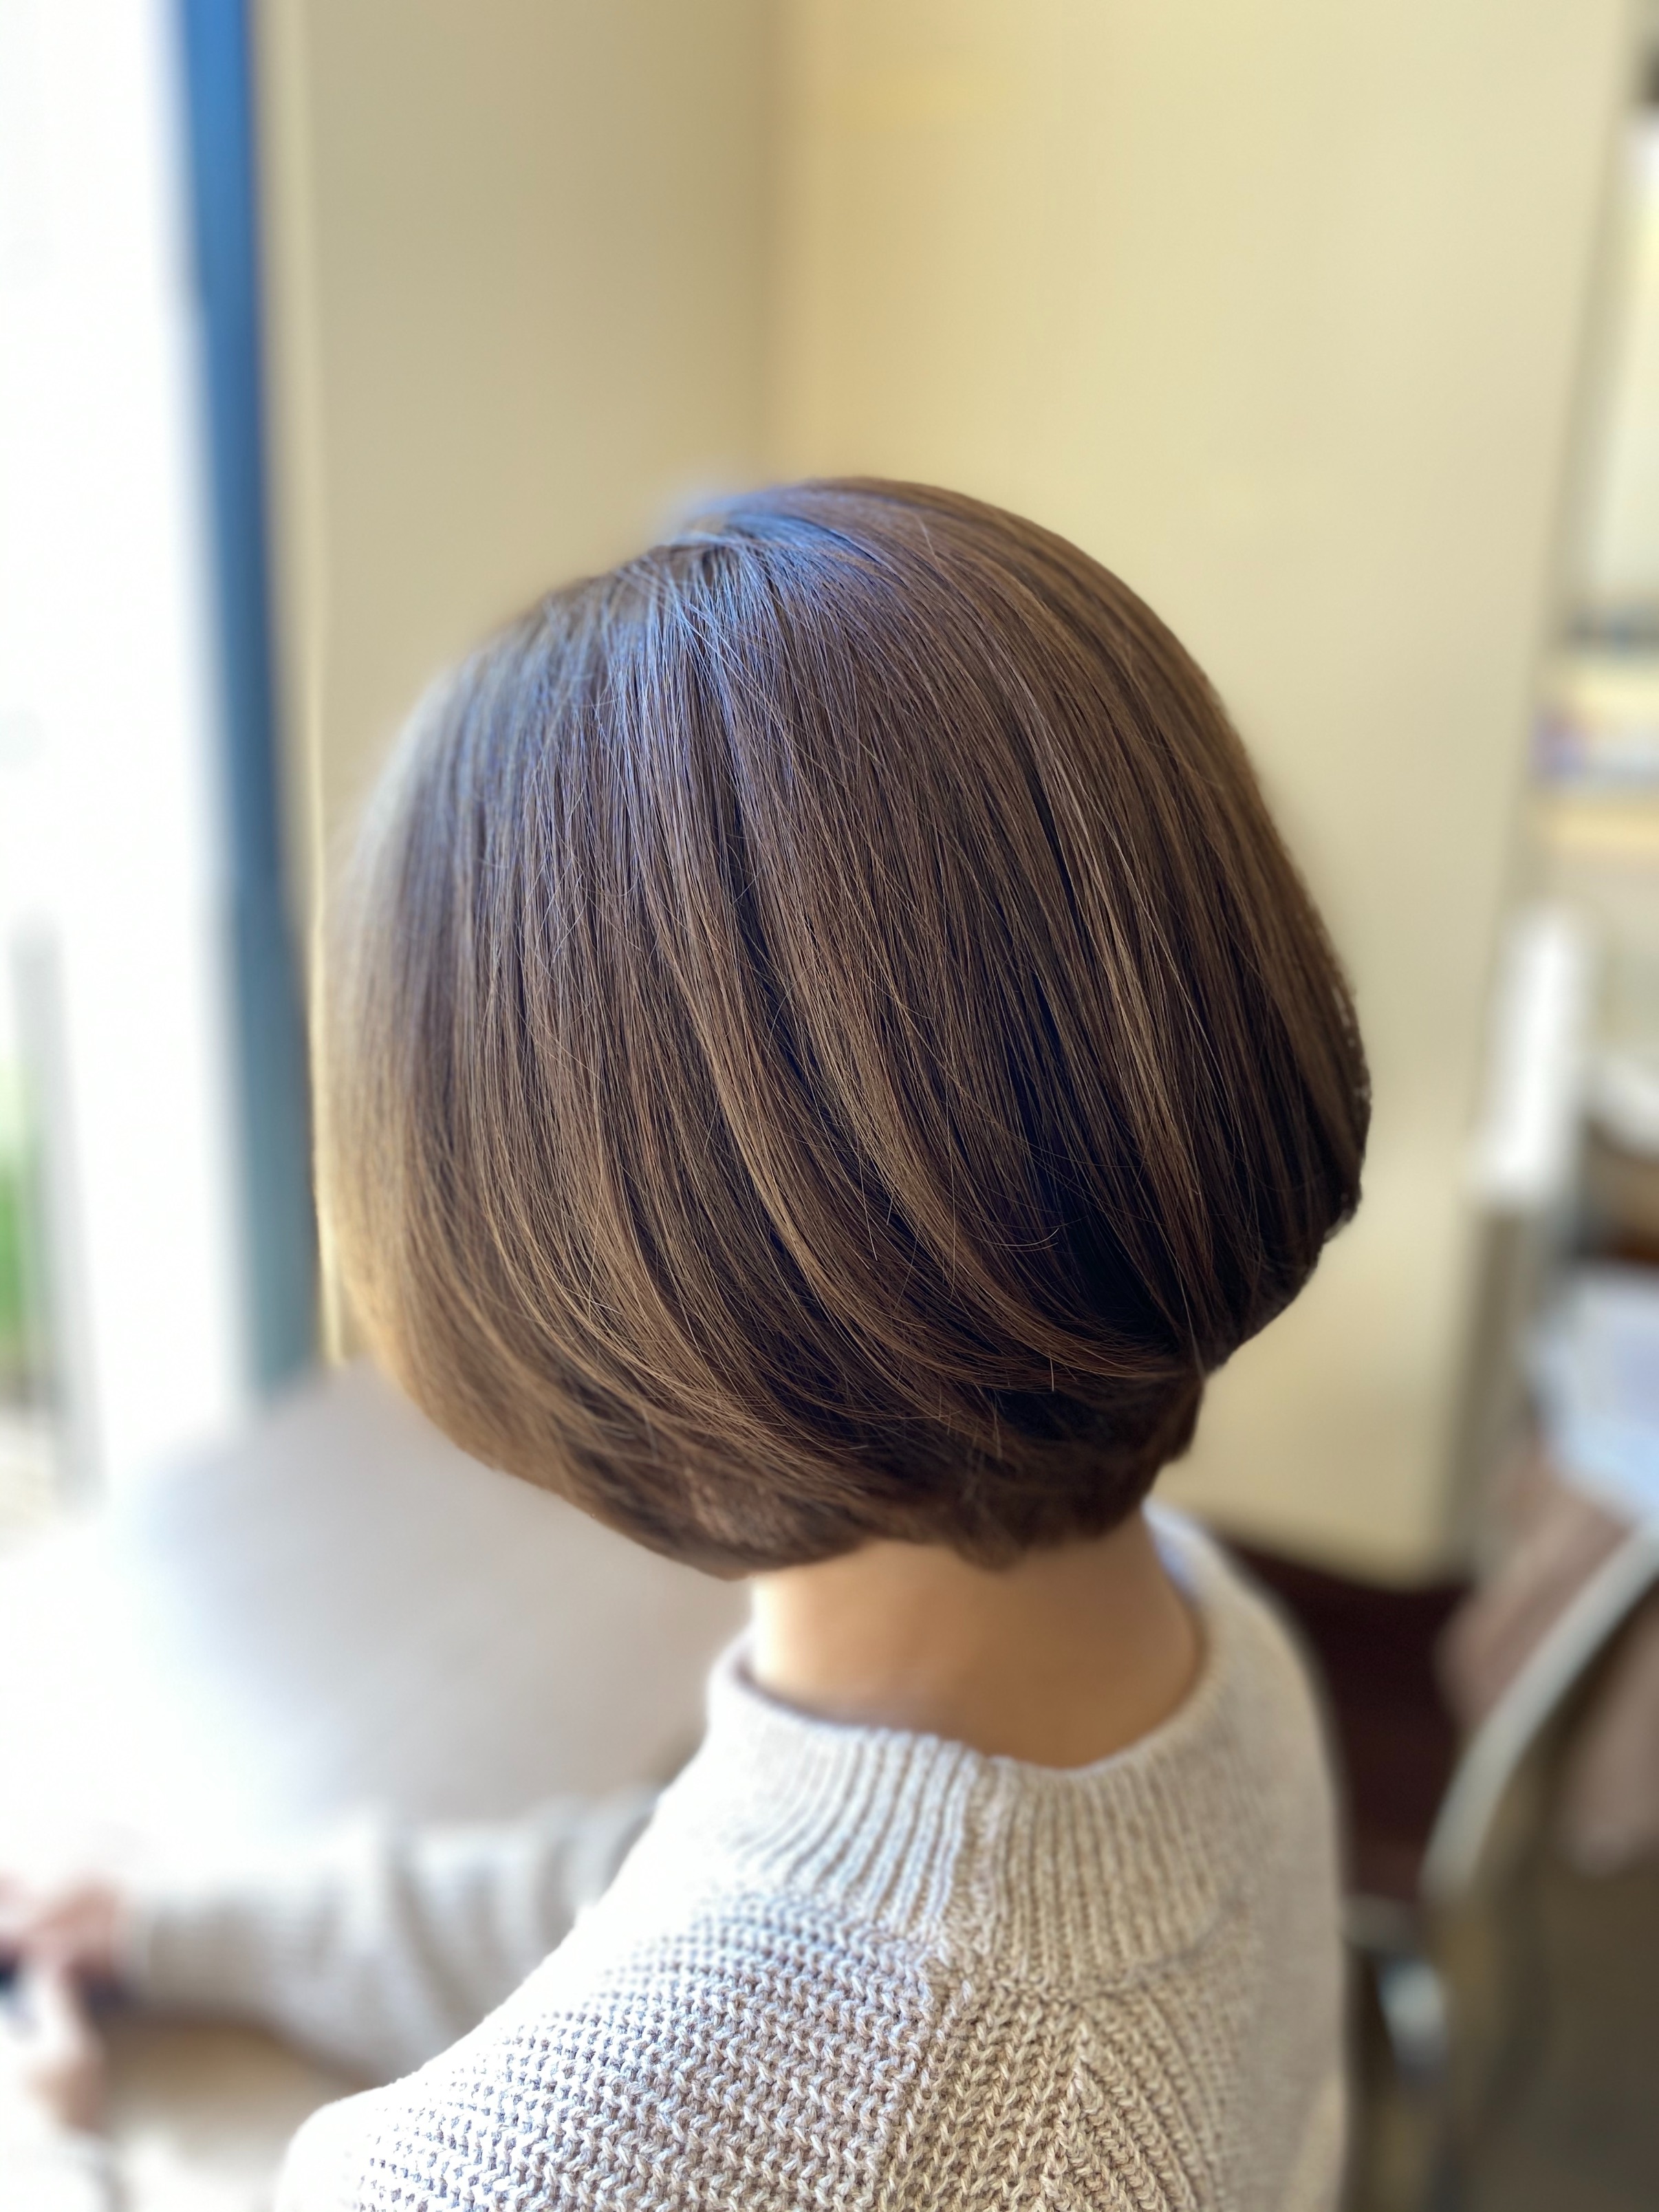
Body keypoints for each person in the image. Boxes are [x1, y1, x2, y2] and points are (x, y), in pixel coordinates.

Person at [14, 479, 1372, 2209]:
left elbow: (734, 2009)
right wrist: (181, 1930)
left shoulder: (501, 2179)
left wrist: (55, 2133)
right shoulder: (1225, 1655)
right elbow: (676, 1885)